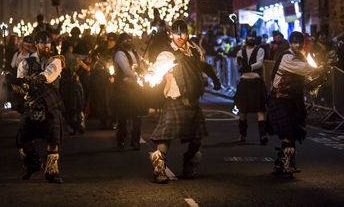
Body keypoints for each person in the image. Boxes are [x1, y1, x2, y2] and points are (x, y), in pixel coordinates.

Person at [148, 20, 221, 184]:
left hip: (193, 100)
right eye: (176, 33)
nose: (180, 37)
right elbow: (155, 69)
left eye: (183, 33)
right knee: (164, 137)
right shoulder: (167, 54)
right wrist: (147, 73)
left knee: (196, 139)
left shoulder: (195, 50)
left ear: (188, 33)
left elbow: (204, 66)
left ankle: (189, 164)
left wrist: (215, 79)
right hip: (175, 100)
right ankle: (159, 169)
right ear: (171, 34)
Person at [266, 32, 323, 177]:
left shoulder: (299, 57)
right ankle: (287, 165)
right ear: (291, 44)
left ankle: (281, 163)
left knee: (293, 132)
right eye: (295, 44)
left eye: (300, 44)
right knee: (290, 132)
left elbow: (308, 78)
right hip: (280, 98)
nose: (298, 46)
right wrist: (324, 67)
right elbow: (306, 69)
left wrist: (320, 76)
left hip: (292, 99)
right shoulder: (287, 57)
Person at [13, 31, 65, 183]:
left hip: (50, 103)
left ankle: (52, 172)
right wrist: (18, 85)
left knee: (53, 140)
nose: (46, 47)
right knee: (24, 139)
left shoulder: (56, 61)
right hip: (31, 103)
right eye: (42, 44)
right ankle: (32, 164)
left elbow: (48, 76)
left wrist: (34, 79)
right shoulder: (25, 63)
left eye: (48, 44)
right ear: (37, 45)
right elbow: (21, 83)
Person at [112, 33, 146, 150]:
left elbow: (141, 67)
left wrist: (144, 72)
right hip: (123, 90)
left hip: (135, 90)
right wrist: (137, 76)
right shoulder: (120, 54)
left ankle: (135, 141)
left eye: (130, 40)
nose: (129, 42)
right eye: (126, 40)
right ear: (121, 42)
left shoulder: (136, 54)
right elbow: (126, 70)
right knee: (123, 117)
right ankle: (121, 140)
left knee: (137, 116)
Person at [234, 32, 268, 145]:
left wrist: (249, 67)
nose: (251, 39)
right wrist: (238, 59)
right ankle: (242, 134)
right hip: (244, 81)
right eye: (249, 37)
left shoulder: (260, 50)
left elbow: (259, 63)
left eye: (253, 37)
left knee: (260, 109)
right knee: (242, 110)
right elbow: (236, 64)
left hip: (256, 81)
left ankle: (262, 134)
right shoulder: (240, 51)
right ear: (246, 38)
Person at [90, 32, 118, 129]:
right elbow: (93, 58)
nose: (109, 42)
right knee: (100, 100)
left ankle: (113, 121)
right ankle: (102, 121)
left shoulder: (117, 52)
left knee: (110, 100)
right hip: (101, 78)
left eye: (112, 40)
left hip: (112, 79)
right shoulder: (101, 50)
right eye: (108, 40)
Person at [59, 40, 86, 135]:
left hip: (65, 83)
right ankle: (79, 124)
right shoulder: (75, 57)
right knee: (78, 104)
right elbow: (86, 67)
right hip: (74, 83)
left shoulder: (60, 58)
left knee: (68, 106)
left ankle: (72, 126)